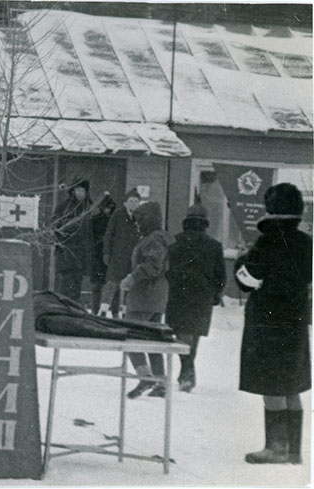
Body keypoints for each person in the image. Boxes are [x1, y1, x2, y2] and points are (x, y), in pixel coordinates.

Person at [235, 183, 311, 465]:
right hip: (296, 322)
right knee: (291, 385)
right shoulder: (307, 243)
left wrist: (242, 259)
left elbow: (247, 280)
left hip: (267, 322)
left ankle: (275, 448)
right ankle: (293, 451)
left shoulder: (267, 241)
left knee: (272, 385)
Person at [165, 204, 226, 393]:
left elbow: (167, 269)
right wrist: (215, 295)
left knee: (180, 333)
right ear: (205, 222)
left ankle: (186, 370)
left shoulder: (174, 241)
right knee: (194, 333)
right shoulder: (214, 245)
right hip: (202, 296)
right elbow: (221, 276)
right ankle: (188, 370)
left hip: (178, 294)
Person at [119, 201, 174, 399]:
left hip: (146, 294)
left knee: (130, 335)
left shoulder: (153, 239)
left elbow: (153, 265)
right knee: (153, 339)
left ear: (148, 220)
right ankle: (159, 382)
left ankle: (145, 377)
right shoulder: (157, 237)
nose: (136, 224)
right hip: (155, 295)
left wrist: (132, 278)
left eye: (139, 219)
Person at [52, 177, 93, 302]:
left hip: (81, 254)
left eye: (83, 191)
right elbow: (54, 227)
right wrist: (60, 244)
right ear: (73, 191)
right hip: (67, 252)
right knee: (65, 287)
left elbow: (90, 231)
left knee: (76, 286)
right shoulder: (64, 207)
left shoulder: (89, 208)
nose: (80, 193)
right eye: (78, 190)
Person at [103, 188, 141, 318]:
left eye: (136, 201)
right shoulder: (118, 215)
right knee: (112, 283)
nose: (133, 204)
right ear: (125, 203)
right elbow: (109, 234)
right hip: (117, 256)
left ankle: (123, 313)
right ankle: (104, 310)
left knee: (127, 285)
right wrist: (106, 252)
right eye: (131, 201)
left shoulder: (140, 217)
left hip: (132, 258)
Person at [90, 194, 116, 315]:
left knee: (111, 286)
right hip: (98, 257)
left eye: (109, 208)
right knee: (98, 287)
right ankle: (96, 311)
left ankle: (109, 311)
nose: (107, 210)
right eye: (105, 208)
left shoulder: (116, 221)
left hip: (110, 257)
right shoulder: (95, 221)